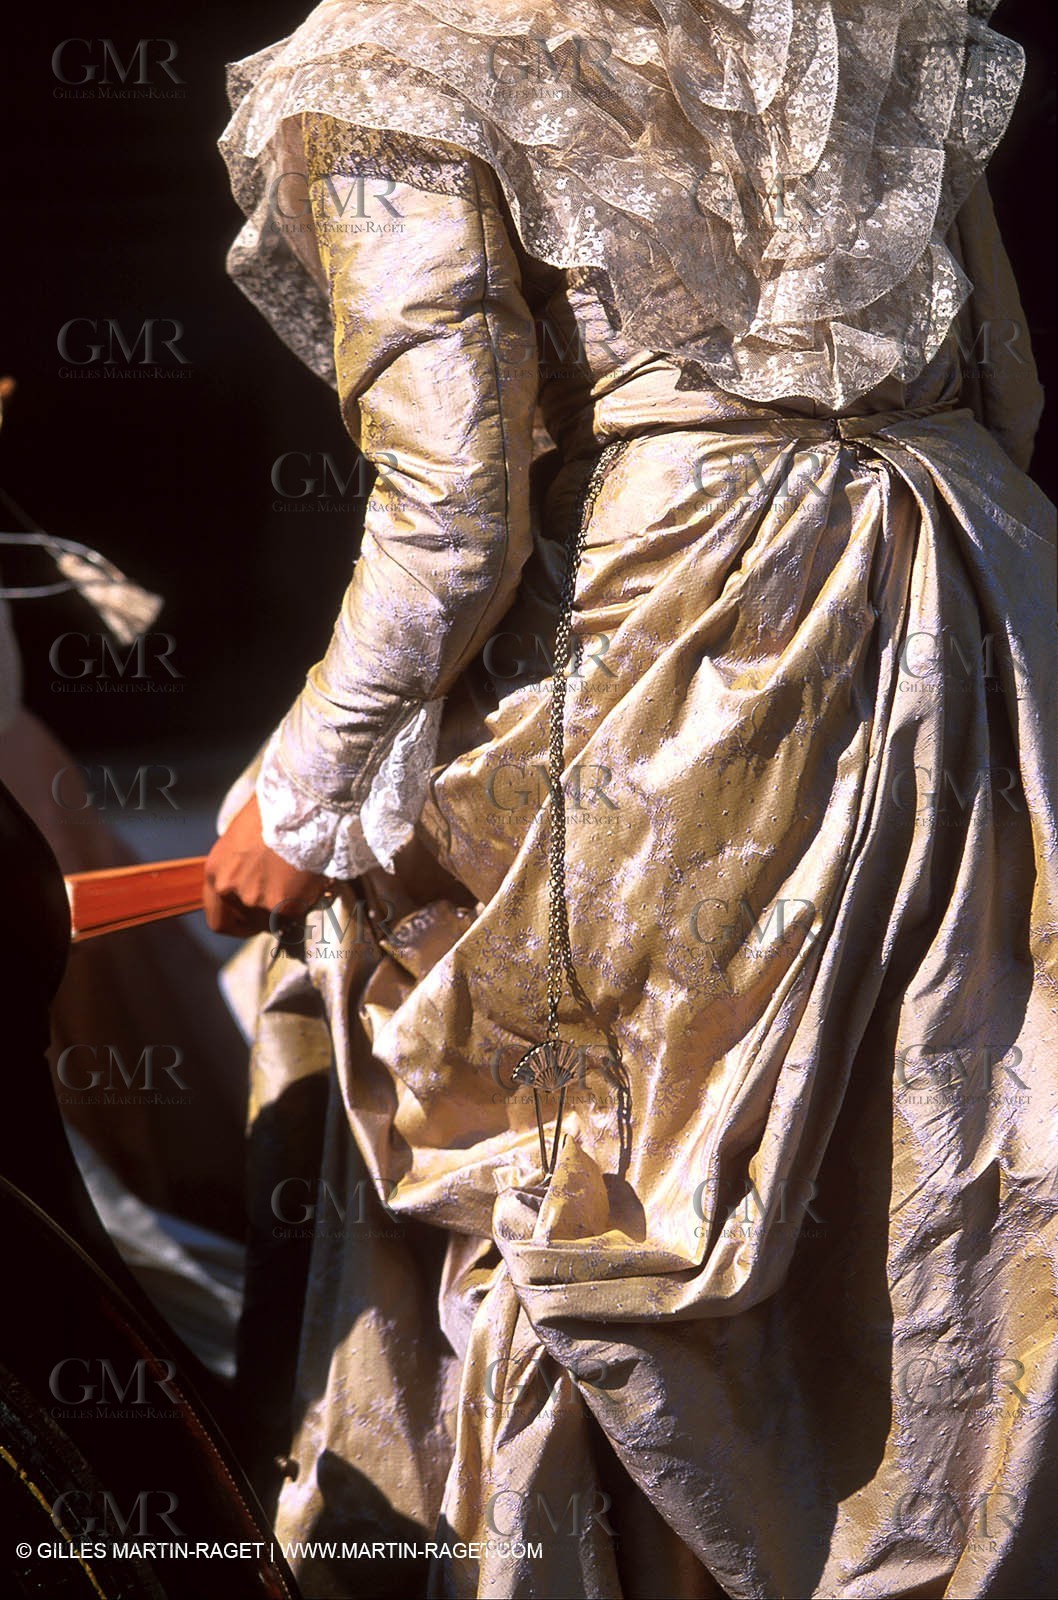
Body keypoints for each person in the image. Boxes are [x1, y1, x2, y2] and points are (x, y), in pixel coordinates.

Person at [206, 3, 1057, 1596]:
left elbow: (451, 512)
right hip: (976, 590)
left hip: (687, 645)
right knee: (931, 1142)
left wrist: (311, 777)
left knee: (593, 1168)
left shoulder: (400, 56)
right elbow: (1002, 379)